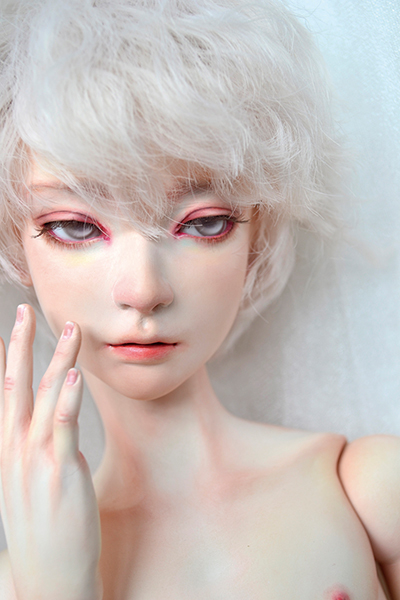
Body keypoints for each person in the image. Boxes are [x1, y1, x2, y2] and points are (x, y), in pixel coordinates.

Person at [0, 0, 399, 598]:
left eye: (204, 223)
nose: (144, 291)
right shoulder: (22, 581)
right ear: (16, 242)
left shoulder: (367, 493)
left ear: (256, 237)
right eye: (75, 227)